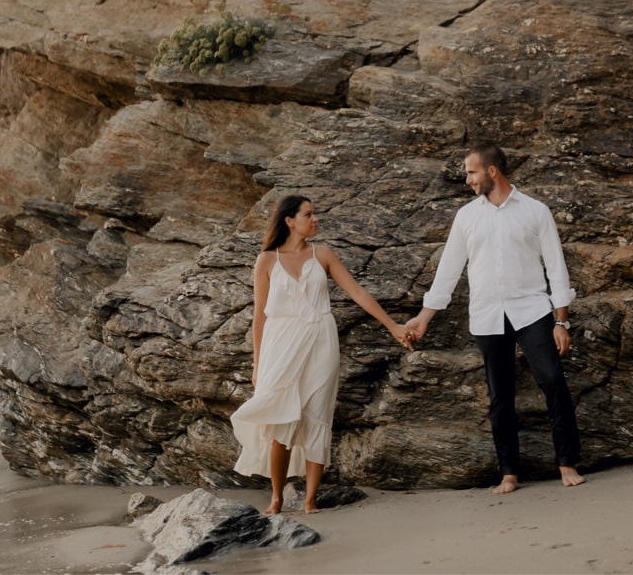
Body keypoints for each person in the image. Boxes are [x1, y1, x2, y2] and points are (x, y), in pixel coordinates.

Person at [404, 144, 586, 493]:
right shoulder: (467, 216)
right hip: (488, 315)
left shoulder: (536, 211)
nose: (467, 179)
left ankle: (566, 462)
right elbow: (448, 271)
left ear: (491, 172)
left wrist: (561, 321)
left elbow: (556, 268)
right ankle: (509, 472)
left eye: (471, 172)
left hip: (532, 310)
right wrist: (424, 318)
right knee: (499, 395)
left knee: (551, 379)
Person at [231, 194, 413, 514]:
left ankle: (310, 500)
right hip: (281, 343)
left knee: (317, 414)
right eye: (309, 214)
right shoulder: (267, 260)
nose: (315, 220)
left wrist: (392, 326)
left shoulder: (323, 255)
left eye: (315, 214)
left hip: (320, 341)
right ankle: (276, 498)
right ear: (289, 221)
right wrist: (257, 364)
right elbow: (259, 315)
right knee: (279, 417)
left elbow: (357, 292)